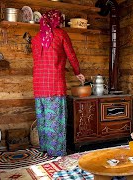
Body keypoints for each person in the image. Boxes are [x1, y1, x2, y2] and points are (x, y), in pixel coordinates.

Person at [32, 10, 85, 157]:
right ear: (56, 21)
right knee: (55, 119)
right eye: (61, 20)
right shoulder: (61, 34)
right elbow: (71, 55)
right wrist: (77, 72)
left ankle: (45, 148)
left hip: (38, 85)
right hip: (54, 84)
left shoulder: (37, 38)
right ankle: (55, 154)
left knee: (43, 118)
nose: (61, 23)